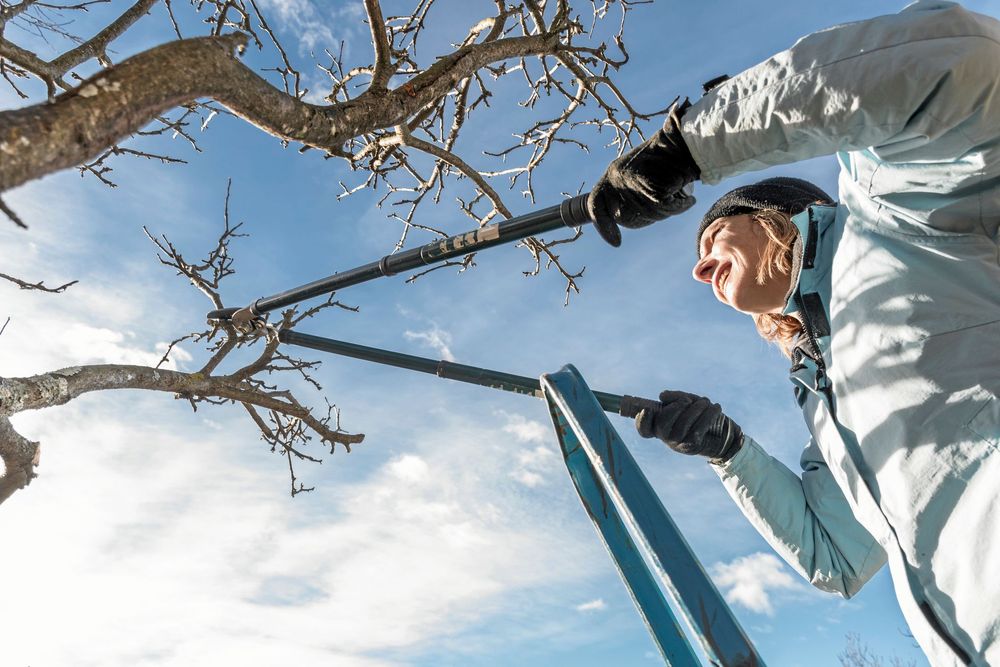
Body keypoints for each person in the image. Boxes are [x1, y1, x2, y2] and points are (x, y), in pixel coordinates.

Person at [587, 2, 1000, 664]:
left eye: (714, 232)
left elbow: (966, 63)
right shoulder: (825, 397)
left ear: (775, 215)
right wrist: (728, 449)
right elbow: (836, 556)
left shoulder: (892, 215)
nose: (699, 270)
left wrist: (696, 145)